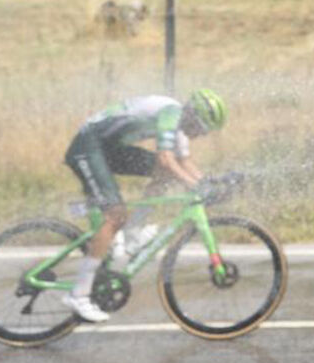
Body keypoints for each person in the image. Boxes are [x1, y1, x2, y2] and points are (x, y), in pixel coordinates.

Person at [62, 89, 227, 323]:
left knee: (164, 175)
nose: (200, 135)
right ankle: (78, 294)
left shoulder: (177, 124)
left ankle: (133, 231)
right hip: (88, 146)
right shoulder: (171, 112)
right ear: (193, 115)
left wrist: (210, 183)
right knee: (115, 216)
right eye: (201, 128)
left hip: (107, 147)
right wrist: (194, 185)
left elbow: (183, 162)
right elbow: (165, 159)